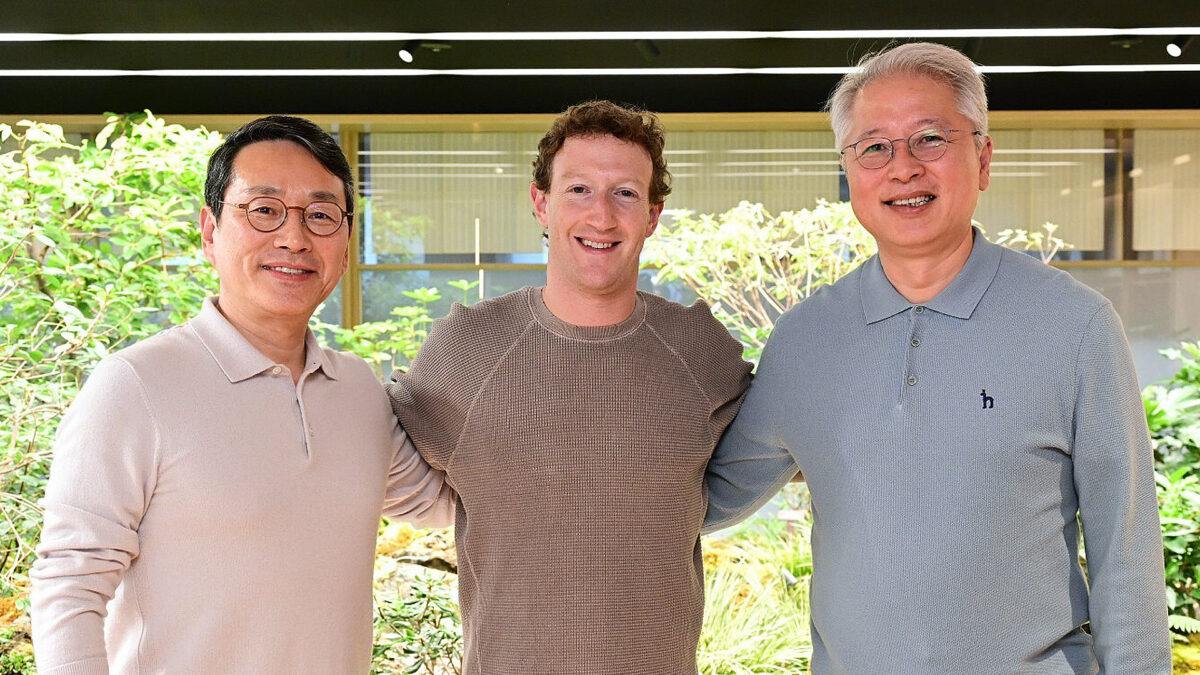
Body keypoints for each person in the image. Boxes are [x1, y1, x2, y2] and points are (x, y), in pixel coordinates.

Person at [703, 43, 1170, 674]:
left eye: (930, 138)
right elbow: (703, 498)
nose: (903, 168)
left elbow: (1128, 548)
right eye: (875, 147)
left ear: (982, 158)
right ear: (850, 174)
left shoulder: (1075, 326)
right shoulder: (805, 338)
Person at [31, 115, 455, 674]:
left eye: (322, 215)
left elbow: (445, 502)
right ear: (209, 231)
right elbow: (70, 584)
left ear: (346, 244)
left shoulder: (359, 391)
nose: (294, 238)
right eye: (263, 210)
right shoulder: (135, 386)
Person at [387, 99, 752, 674]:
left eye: (625, 194)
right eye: (578, 189)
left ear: (653, 215)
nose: (601, 216)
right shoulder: (466, 351)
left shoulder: (699, 353)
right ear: (541, 203)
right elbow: (372, 453)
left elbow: (781, 447)